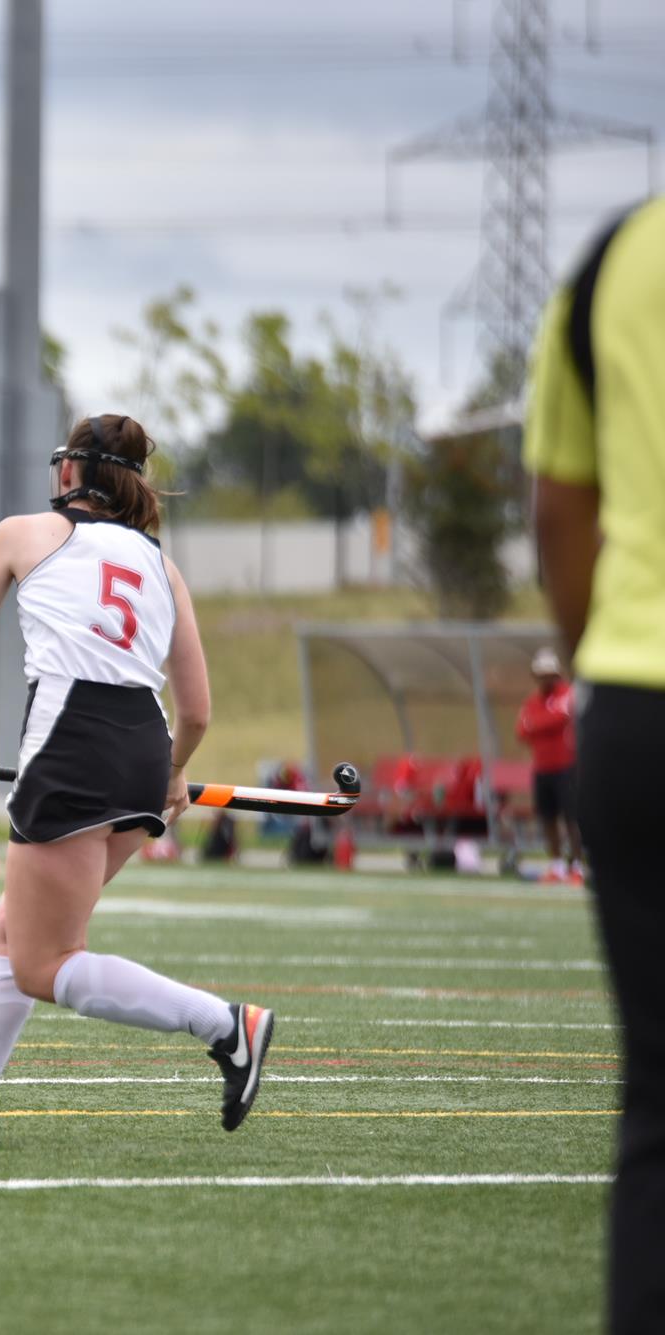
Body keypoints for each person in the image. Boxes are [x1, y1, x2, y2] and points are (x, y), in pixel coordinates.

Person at [0, 413, 272, 1148]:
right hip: (147, 742)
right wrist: (173, 775)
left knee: (46, 961)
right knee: (18, 928)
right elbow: (197, 710)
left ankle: (227, 1025)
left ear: (72, 471)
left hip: (71, 739)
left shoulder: (20, 533)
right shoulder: (162, 565)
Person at [525, 195, 665, 1335]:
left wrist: (597, 667)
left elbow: (559, 509)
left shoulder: (617, 253)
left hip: (635, 702)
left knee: (658, 1115)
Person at [515, 646, 583, 883]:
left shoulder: (567, 694)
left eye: (549, 674)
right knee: (548, 817)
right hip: (542, 768)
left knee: (571, 817)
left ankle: (577, 865)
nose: (545, 679)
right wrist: (539, 724)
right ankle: (556, 865)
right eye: (541, 674)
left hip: (566, 767)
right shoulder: (532, 702)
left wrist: (537, 724)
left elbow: (559, 717)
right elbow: (522, 730)